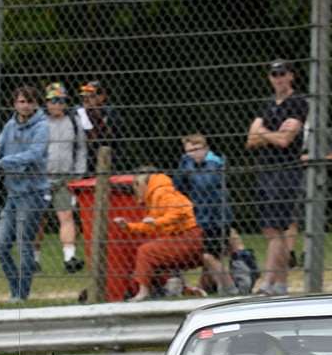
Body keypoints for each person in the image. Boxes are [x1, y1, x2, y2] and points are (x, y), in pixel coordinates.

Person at [246, 60, 308, 295]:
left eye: (282, 74)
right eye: (274, 74)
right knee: (272, 230)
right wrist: (269, 133)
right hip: (266, 170)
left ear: (290, 76)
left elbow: (286, 140)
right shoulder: (266, 104)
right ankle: (281, 284)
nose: (278, 78)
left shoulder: (298, 103)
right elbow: (251, 141)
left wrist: (262, 132)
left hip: (286, 170)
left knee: (278, 228)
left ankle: (268, 283)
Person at [0, 86, 50, 302]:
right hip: (12, 194)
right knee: (0, 246)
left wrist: (3, 163)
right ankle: (15, 288)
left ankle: (22, 295)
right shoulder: (9, 126)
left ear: (35, 103)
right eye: (20, 101)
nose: (24, 105)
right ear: (15, 104)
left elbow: (35, 155)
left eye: (28, 101)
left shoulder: (42, 126)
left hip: (33, 193)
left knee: (23, 244)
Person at [114, 169, 199, 302]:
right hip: (184, 235)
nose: (135, 192)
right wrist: (129, 226)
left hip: (190, 235)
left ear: (141, 184)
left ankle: (143, 292)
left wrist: (158, 221)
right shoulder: (155, 195)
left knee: (146, 251)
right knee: (157, 247)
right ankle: (180, 288)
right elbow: (150, 226)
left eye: (136, 187)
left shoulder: (161, 192)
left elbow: (177, 212)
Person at [175, 133, 234, 294]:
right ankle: (206, 287)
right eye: (189, 151)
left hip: (217, 217)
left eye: (196, 149)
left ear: (205, 148)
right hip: (200, 216)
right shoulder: (188, 163)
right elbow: (178, 186)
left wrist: (187, 167)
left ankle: (229, 287)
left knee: (209, 255)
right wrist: (184, 166)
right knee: (210, 255)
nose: (193, 154)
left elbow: (205, 183)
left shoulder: (213, 163)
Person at [39, 83, 88, 274]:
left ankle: (69, 257)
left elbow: (81, 149)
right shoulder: (40, 122)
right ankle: (34, 260)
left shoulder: (74, 122)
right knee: (38, 219)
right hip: (41, 177)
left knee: (66, 216)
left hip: (65, 177)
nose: (57, 104)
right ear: (47, 102)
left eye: (60, 100)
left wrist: (77, 175)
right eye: (53, 100)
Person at [76, 80, 116, 158]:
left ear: (102, 97)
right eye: (84, 96)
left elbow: (109, 138)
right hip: (84, 155)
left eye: (91, 96)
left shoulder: (109, 113)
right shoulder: (78, 112)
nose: (86, 99)